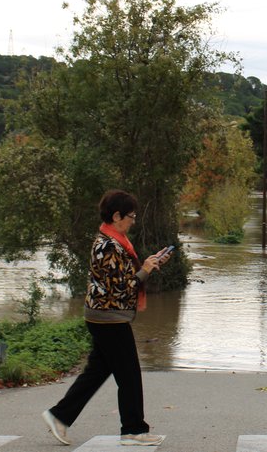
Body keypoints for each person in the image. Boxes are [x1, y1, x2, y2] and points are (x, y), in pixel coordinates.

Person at [42, 189, 172, 446]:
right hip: (109, 318)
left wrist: (149, 264)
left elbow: (122, 278)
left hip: (104, 316)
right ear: (116, 216)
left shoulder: (114, 241)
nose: (133, 221)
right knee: (129, 375)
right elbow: (121, 288)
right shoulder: (108, 245)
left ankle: (60, 415)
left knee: (97, 371)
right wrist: (145, 270)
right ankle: (133, 430)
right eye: (130, 216)